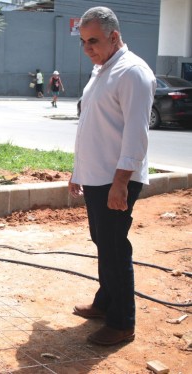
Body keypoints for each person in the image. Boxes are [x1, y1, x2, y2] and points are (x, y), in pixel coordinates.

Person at [68, 7, 156, 346]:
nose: (87, 47)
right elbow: (92, 126)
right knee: (102, 242)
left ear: (114, 37)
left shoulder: (132, 72)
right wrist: (79, 171)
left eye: (94, 41)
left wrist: (120, 182)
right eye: (83, 42)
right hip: (96, 176)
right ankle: (106, 303)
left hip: (116, 178)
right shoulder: (102, 69)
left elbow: (136, 135)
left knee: (115, 248)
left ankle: (122, 323)